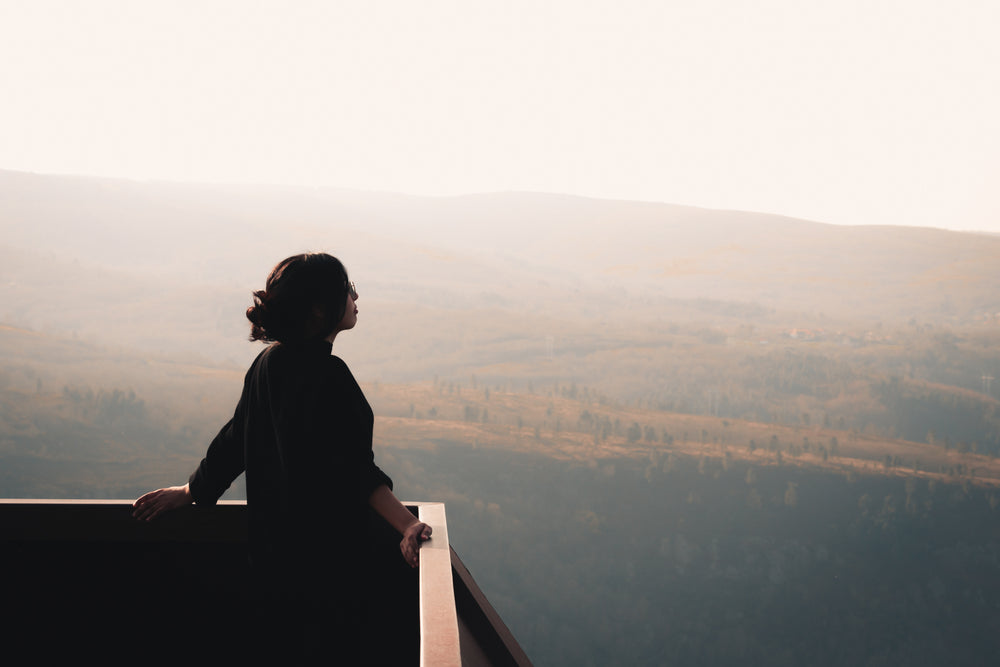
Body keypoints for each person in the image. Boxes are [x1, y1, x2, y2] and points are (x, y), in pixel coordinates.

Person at [132, 252, 430, 662]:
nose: (357, 297)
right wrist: (408, 524)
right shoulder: (330, 377)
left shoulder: (268, 364)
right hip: (330, 567)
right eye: (348, 289)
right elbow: (354, 472)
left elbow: (237, 437)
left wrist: (192, 490)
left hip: (273, 563)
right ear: (319, 310)